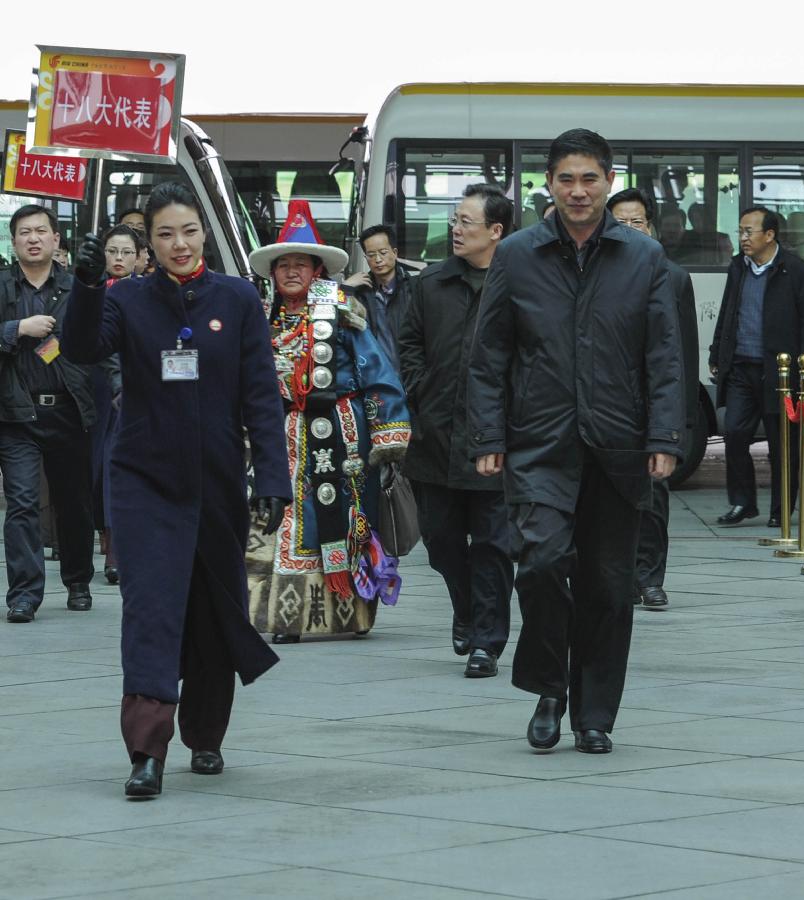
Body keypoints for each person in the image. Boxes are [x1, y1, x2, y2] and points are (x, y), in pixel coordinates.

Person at [62, 182, 292, 798]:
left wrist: (273, 475)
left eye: (188, 231)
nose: (179, 244)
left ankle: (206, 734)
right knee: (152, 609)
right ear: (148, 244)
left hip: (218, 482)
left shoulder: (239, 298)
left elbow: (261, 398)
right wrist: (84, 287)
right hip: (142, 480)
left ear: (204, 233)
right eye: (164, 234)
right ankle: (147, 749)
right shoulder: (126, 299)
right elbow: (82, 348)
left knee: (215, 607)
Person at [468, 129, 684, 753]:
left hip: (618, 448)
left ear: (608, 182)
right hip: (540, 446)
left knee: (610, 587)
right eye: (567, 179)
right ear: (549, 185)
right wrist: (488, 433)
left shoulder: (644, 259)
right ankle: (550, 686)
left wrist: (664, 434)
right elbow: (489, 356)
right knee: (538, 566)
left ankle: (595, 714)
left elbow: (665, 356)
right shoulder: (518, 256)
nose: (579, 190)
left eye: (590, 178)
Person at [246, 200, 410, 644]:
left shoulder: (342, 312)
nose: (291, 272)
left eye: (301, 264)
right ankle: (283, 616)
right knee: (279, 522)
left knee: (343, 518)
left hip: (340, 434)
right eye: (283, 265)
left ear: (317, 270)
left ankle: (350, 613)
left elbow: (377, 370)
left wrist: (387, 437)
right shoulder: (261, 318)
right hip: (280, 435)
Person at [400, 183, 515, 678]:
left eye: (466, 222)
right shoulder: (431, 283)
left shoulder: (519, 285)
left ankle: (487, 642)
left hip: (495, 440)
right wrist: (421, 389)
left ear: (496, 231)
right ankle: (465, 609)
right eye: (455, 220)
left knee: (493, 545)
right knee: (441, 541)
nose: (456, 229)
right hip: (435, 437)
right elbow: (406, 345)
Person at [0, 204, 99, 623]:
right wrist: (17, 329)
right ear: (14, 240)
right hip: (15, 413)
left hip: (67, 410)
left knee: (73, 501)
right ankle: (24, 594)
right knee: (21, 501)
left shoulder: (78, 287)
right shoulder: (3, 285)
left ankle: (77, 579)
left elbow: (96, 338)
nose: (33, 238)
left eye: (42, 231)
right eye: (25, 232)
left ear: (56, 240)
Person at [607, 188, 699, 610]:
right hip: (606, 407)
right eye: (621, 223)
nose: (630, 230)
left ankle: (650, 577)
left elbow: (683, 352)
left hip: (652, 410)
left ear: (652, 227)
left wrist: (680, 422)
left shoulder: (673, 277)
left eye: (637, 222)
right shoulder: (594, 273)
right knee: (609, 501)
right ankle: (618, 577)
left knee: (654, 498)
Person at [710, 207, 804, 526]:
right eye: (740, 230)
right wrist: (717, 352)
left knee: (783, 444)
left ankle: (780, 509)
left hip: (781, 373)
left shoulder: (796, 271)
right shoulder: (738, 267)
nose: (743, 238)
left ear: (770, 235)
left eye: (749, 231)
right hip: (741, 367)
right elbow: (728, 311)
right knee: (735, 433)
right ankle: (743, 503)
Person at [92, 224, 141, 584]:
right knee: (96, 472)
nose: (119, 258)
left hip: (133, 393)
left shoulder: (148, 294)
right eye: (112, 251)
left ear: (141, 257)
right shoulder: (90, 291)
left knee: (119, 470)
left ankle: (118, 552)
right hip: (93, 394)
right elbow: (62, 338)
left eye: (126, 252)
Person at [343, 224, 413, 373]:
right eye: (371, 255)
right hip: (375, 377)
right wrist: (345, 288)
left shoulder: (414, 288)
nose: (378, 259)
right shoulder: (360, 293)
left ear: (394, 253)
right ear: (365, 258)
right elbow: (341, 324)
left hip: (410, 374)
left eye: (383, 252)